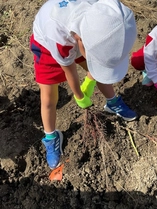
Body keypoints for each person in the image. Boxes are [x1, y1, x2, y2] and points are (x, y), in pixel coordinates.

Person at [29, 0, 138, 169]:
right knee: (48, 97)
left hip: (78, 37)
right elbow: (69, 71)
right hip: (47, 45)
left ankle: (112, 102)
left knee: (100, 72)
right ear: (81, 40)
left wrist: (90, 78)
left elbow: (97, 64)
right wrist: (79, 96)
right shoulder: (57, 37)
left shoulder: (103, 16)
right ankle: (51, 137)